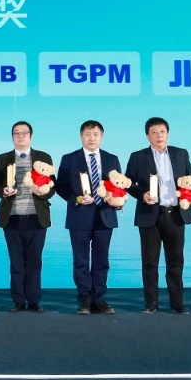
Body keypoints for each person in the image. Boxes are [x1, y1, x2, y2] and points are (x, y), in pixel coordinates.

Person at [125, 117, 191, 314]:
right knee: (149, 262)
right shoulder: (138, 156)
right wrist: (142, 194)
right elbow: (128, 182)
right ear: (147, 136)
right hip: (149, 214)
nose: (159, 135)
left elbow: (190, 181)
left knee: (176, 261)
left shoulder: (181, 154)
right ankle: (151, 303)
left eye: (162, 131)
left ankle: (177, 303)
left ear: (168, 133)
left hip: (175, 214)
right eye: (154, 132)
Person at [55, 120, 122, 315]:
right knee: (81, 260)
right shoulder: (69, 159)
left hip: (105, 216)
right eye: (87, 134)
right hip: (79, 215)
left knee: (102, 260)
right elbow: (61, 186)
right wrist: (76, 198)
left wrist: (117, 200)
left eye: (95, 134)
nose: (91, 138)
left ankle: (99, 298)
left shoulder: (112, 159)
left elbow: (118, 185)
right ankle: (84, 298)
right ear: (81, 136)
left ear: (102, 136)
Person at [0, 121, 53, 313]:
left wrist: (43, 192)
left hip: (37, 217)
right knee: (16, 262)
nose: (21, 136)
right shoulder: (3, 159)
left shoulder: (43, 157)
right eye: (16, 133)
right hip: (12, 217)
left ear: (31, 136)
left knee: (35, 262)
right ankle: (18, 300)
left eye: (24, 132)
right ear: (12, 137)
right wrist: (3, 191)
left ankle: (34, 300)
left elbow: (53, 185)